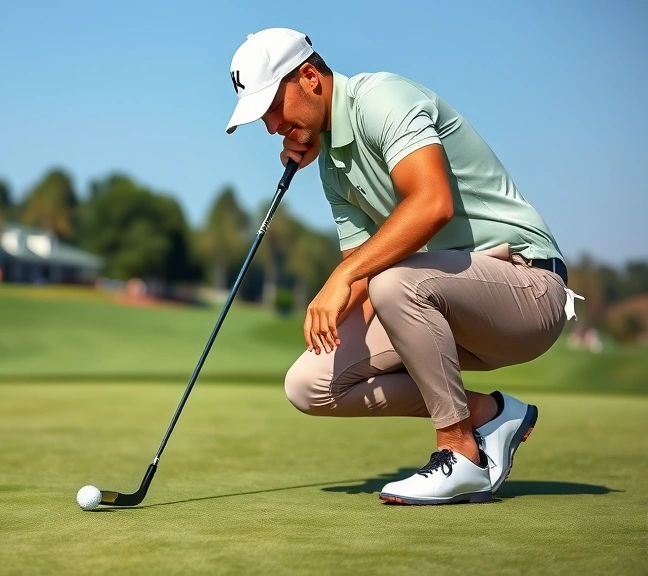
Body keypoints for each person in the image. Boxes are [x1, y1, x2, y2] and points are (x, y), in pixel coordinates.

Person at [225, 28, 583, 505]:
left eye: (273, 107)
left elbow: (432, 204)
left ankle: (460, 453)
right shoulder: (333, 165)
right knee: (309, 384)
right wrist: (334, 326)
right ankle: (491, 416)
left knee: (391, 282)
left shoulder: (382, 98)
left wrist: (343, 279)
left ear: (310, 77)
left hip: (528, 287)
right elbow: (358, 266)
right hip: (446, 305)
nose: (271, 127)